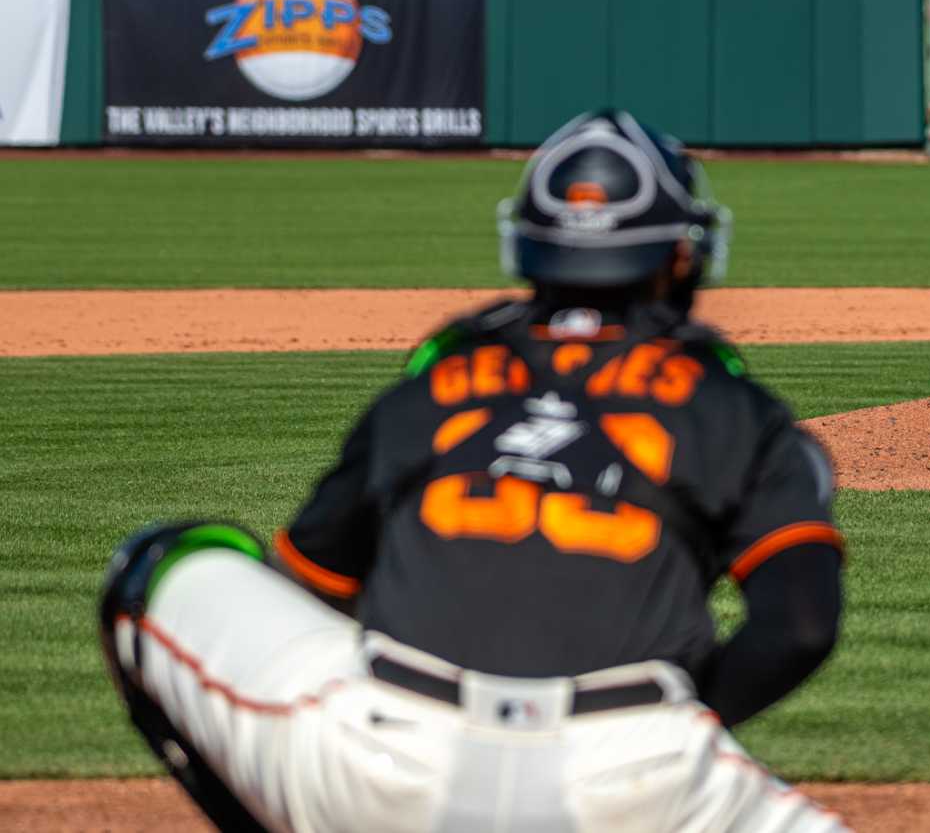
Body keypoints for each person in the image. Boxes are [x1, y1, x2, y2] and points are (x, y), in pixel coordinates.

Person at [98, 110, 847, 833]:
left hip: (384, 765)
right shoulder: (733, 405)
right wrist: (683, 715)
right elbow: (801, 626)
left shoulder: (435, 383)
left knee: (161, 564)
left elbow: (311, 582)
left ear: (528, 244)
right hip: (639, 771)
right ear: (680, 253)